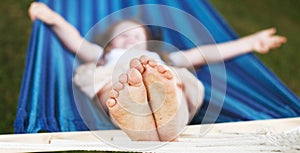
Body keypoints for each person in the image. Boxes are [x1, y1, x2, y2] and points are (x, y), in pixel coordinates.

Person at [28, 2, 287, 141]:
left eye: (136, 35)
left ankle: (164, 103)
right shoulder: (102, 56)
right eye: (122, 36)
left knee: (176, 80)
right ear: (110, 44)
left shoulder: (164, 57)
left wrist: (251, 42)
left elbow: (209, 53)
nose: (129, 40)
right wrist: (53, 18)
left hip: (162, 77)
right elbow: (75, 41)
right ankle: (134, 107)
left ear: (149, 41)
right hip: (118, 79)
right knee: (109, 86)